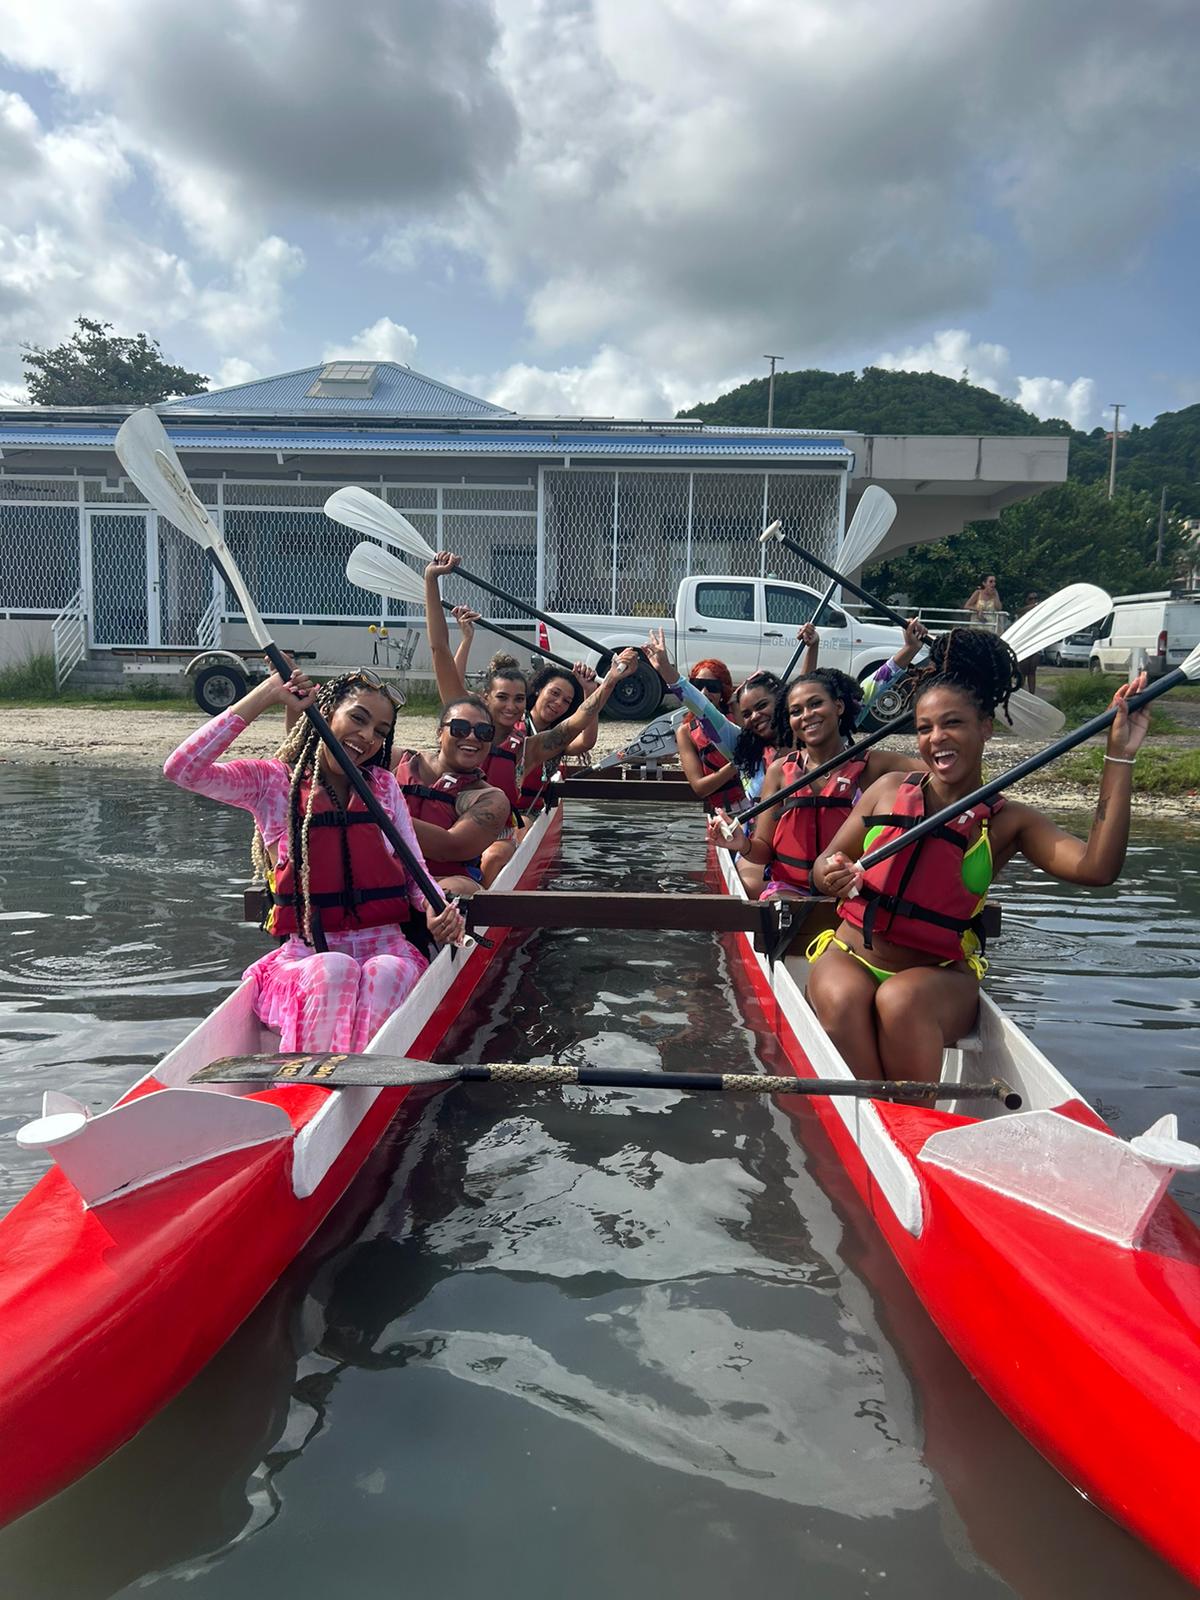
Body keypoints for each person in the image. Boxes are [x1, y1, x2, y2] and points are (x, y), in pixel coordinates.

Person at [804, 629, 1150, 1083]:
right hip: (850, 955)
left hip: (936, 977)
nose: (936, 739)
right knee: (842, 998)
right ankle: (878, 1110)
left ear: (985, 727)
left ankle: (904, 1109)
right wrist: (828, 873)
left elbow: (1097, 868)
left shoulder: (1009, 822)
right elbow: (824, 862)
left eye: (953, 723)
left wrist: (1119, 757)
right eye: (924, 728)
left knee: (901, 1001)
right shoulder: (887, 790)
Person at [164, 668, 464, 1054]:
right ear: (326, 713)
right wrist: (266, 694)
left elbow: (415, 872)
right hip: (307, 956)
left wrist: (434, 907)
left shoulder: (383, 786)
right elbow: (182, 770)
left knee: (386, 972)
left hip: (387, 948)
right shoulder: (273, 784)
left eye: (380, 731)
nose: (367, 737)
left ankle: (357, 1082)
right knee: (334, 969)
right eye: (358, 718)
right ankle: (310, 1082)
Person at [422, 555, 639, 881]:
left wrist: (609, 682)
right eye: (502, 698)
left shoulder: (527, 749)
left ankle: (483, 903)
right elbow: (439, 649)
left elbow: (577, 723)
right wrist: (432, 580)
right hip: (445, 822)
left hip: (495, 835)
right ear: (485, 698)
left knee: (495, 855)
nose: (511, 707)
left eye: (518, 699)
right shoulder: (462, 720)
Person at [708, 669, 923, 898]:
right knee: (779, 905)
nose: (806, 715)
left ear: (838, 706)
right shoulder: (779, 771)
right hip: (790, 890)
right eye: (796, 711)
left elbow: (940, 772)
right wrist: (742, 844)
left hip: (851, 889)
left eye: (815, 704)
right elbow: (763, 851)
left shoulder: (873, 764)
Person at [391, 696, 513, 898]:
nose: (472, 737)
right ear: (440, 733)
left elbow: (450, 847)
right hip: (382, 873)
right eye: (459, 728)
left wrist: (378, 815)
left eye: (484, 732)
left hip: (439, 882)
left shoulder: (491, 800)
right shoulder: (397, 760)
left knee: (460, 889)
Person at [673, 658, 746, 815]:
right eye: (698, 686)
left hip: (754, 807)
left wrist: (736, 707)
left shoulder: (739, 715)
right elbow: (700, 788)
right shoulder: (685, 732)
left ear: (723, 691)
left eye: (712, 687)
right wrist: (737, 763)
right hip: (722, 815)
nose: (704, 692)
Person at [1016, 591, 1041, 694]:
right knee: (1022, 670)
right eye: (1031, 599)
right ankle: (1020, 694)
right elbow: (1019, 612)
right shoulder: (1023, 612)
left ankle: (1032, 694)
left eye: (1036, 598)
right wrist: (1032, 607)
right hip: (1024, 642)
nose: (1034, 601)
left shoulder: (1040, 612)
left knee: (1032, 670)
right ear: (1026, 600)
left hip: (1035, 642)